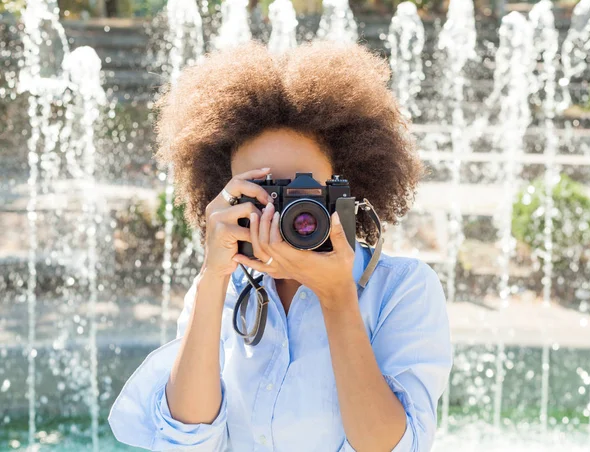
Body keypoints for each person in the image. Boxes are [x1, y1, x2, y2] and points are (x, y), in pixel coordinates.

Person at [108, 40, 452, 452]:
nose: (282, 213)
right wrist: (213, 275)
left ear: (347, 191)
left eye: (301, 193)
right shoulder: (222, 291)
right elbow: (186, 441)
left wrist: (337, 296)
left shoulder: (401, 289)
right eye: (261, 192)